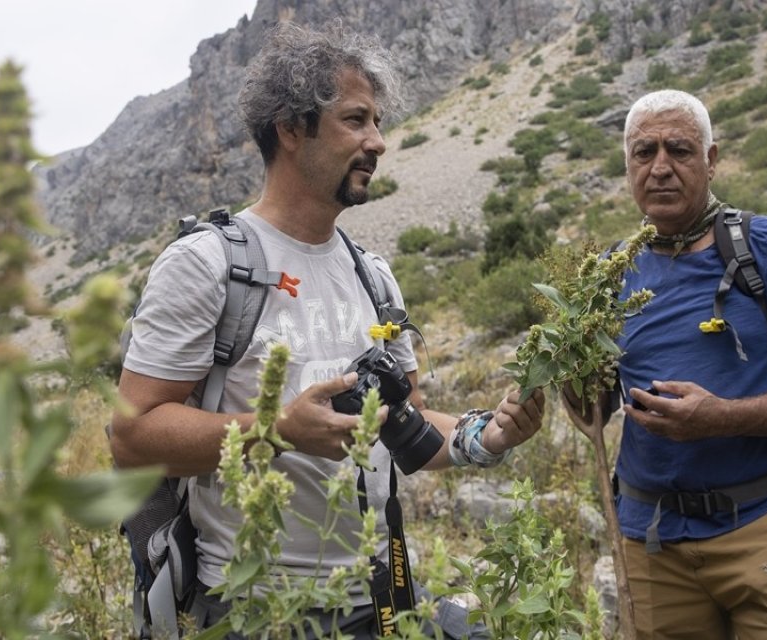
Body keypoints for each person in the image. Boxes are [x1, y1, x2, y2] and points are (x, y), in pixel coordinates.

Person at [109, 22, 544, 639]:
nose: (378, 142)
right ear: (291, 128)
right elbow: (132, 436)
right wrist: (278, 429)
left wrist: (487, 436)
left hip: (380, 598)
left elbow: (411, 424)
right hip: (254, 610)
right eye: (356, 120)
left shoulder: (374, 278)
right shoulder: (206, 266)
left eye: (378, 123)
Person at [563, 89, 767, 639]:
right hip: (652, 543)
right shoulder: (609, 275)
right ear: (627, 166)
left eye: (679, 150)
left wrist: (720, 417)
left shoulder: (766, 246)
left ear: (711, 159)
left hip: (764, 527)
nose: (660, 167)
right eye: (644, 152)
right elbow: (593, 412)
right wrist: (561, 365)